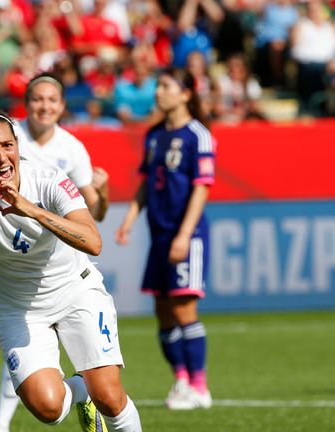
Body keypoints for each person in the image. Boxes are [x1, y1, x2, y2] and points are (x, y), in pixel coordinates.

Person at [0, 109, 142, 432]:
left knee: (109, 395)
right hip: (17, 309)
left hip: (75, 291)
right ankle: (82, 390)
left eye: (8, 145)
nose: (2, 157)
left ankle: (93, 390)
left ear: (18, 146)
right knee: (48, 409)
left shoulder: (48, 179)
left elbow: (93, 242)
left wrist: (32, 210)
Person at [115, 66, 215, 410]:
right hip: (158, 234)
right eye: (158, 86)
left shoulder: (197, 135)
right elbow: (146, 181)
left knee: (184, 307)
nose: (159, 92)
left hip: (186, 234)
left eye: (167, 86)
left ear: (186, 94)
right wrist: (129, 218)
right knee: (162, 311)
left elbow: (202, 187)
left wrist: (185, 234)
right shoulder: (155, 135)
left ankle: (200, 386)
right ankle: (181, 381)